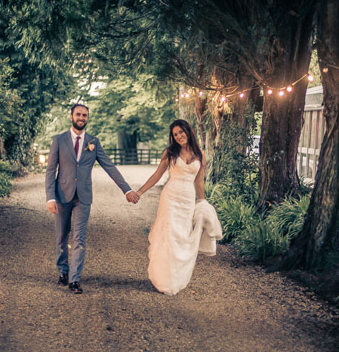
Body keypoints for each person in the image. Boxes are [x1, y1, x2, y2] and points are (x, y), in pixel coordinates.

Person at [45, 103, 139, 294]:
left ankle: (74, 279)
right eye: (78, 114)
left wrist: (126, 190)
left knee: (79, 238)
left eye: (85, 115)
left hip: (84, 197)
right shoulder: (59, 140)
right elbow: (50, 170)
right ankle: (63, 271)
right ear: (71, 116)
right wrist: (50, 197)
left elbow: (109, 166)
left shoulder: (93, 142)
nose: (82, 118)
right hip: (62, 194)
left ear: (88, 118)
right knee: (61, 236)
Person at [131, 119, 222, 295]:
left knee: (182, 237)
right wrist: (139, 192)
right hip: (170, 197)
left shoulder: (200, 153)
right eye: (175, 134)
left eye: (181, 132)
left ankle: (176, 277)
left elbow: (199, 181)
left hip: (187, 200)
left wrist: (202, 202)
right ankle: (164, 279)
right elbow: (157, 175)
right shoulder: (170, 153)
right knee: (170, 237)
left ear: (188, 131)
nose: (179, 136)